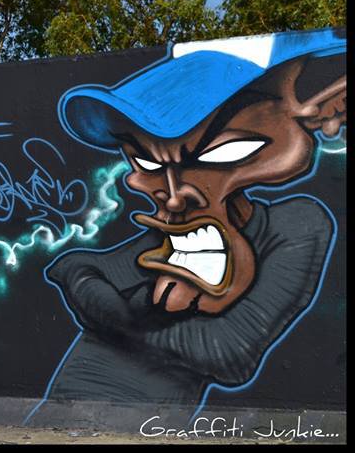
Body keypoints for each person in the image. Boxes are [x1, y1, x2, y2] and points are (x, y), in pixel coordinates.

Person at [28, 28, 346, 426]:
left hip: (142, 423)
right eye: (149, 163)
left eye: (219, 153)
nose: (176, 197)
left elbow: (229, 354)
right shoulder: (175, 232)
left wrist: (121, 320)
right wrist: (144, 315)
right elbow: (73, 268)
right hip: (63, 413)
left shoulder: (295, 225)